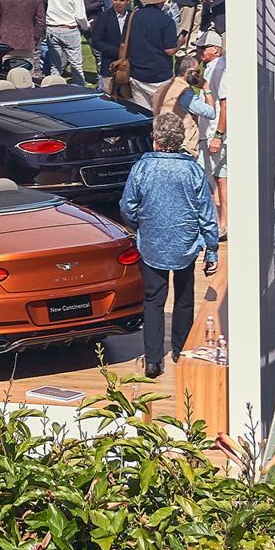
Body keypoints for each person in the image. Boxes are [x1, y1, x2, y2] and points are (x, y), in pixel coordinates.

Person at [117, 109, 219, 379]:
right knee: (184, 298)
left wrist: (140, 225)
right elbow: (206, 213)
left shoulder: (142, 168)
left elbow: (127, 206)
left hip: (152, 242)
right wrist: (212, 249)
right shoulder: (192, 170)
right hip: (185, 243)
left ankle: (153, 361)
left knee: (153, 300)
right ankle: (180, 350)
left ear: (156, 138)